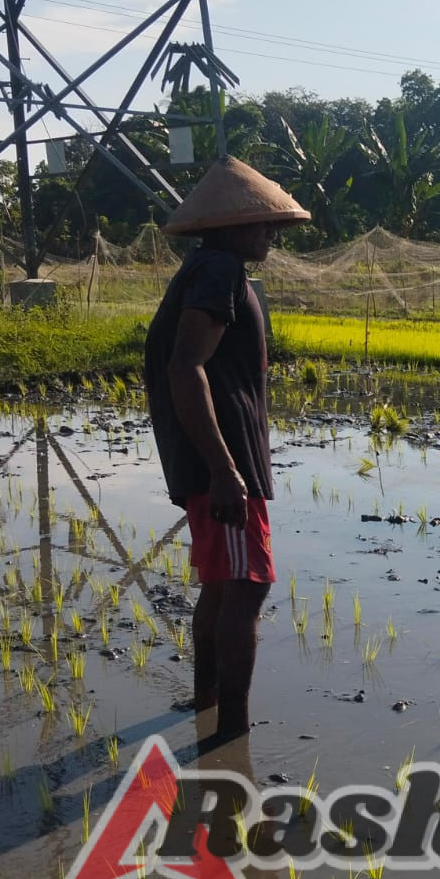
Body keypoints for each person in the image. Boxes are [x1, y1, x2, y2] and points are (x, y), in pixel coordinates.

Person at [144, 157, 309, 743]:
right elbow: (186, 368)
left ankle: (208, 706)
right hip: (223, 461)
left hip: (218, 459)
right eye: (262, 225)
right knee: (247, 584)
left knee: (221, 581)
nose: (271, 235)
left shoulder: (207, 267)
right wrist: (224, 469)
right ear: (230, 226)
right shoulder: (219, 272)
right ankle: (231, 737)